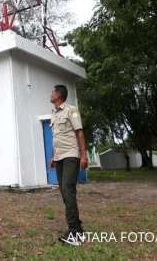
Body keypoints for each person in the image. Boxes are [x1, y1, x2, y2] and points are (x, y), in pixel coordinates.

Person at [49, 84, 88, 246]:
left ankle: (74, 232)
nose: (50, 94)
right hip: (59, 157)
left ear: (59, 95)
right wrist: (53, 156)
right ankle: (77, 227)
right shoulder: (54, 114)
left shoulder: (71, 110)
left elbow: (79, 132)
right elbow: (57, 137)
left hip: (71, 155)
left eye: (52, 92)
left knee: (68, 189)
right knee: (65, 193)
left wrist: (83, 155)